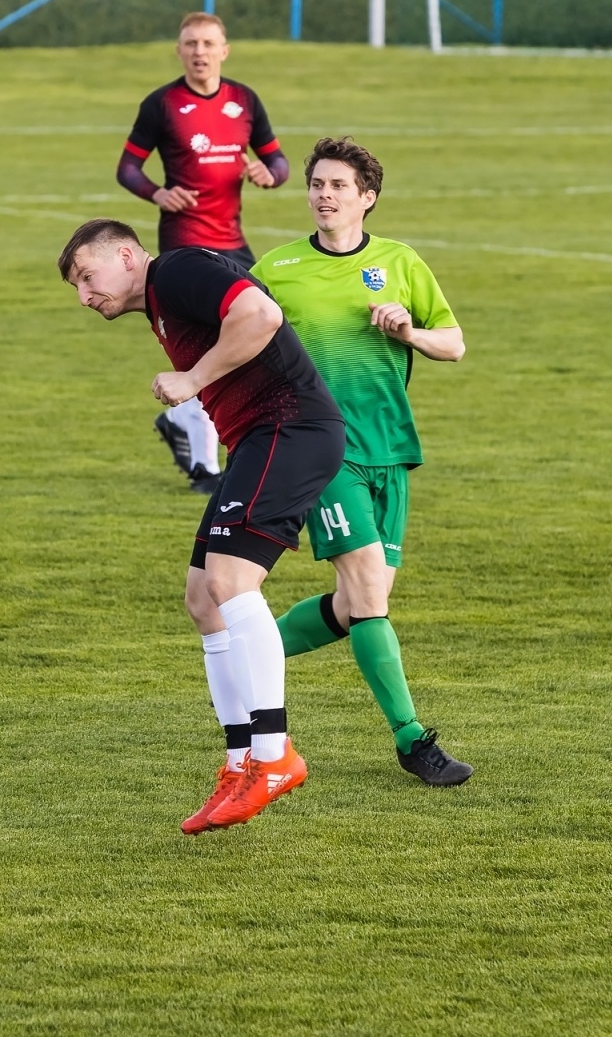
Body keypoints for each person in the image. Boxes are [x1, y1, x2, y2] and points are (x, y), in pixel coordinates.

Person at [59, 219, 344, 834]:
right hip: (260, 441)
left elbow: (261, 316)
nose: (85, 296)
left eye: (88, 276)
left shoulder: (179, 270)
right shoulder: (160, 300)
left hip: (289, 429)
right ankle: (240, 760)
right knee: (202, 598)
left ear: (129, 256)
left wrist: (192, 380)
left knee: (232, 583)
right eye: (77, 288)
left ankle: (274, 757)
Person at [251, 137, 474, 786]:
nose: (323, 194)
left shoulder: (401, 264)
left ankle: (244, 657)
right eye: (316, 183)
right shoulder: (279, 267)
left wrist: (409, 332)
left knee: (356, 605)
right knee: (370, 594)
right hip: (322, 450)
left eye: (337, 185)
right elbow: (242, 345)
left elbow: (452, 344)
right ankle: (412, 740)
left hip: (391, 448)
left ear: (367, 198)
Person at [118, 11, 293, 495]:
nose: (199, 51)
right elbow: (128, 168)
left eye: (208, 43)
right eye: (190, 43)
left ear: (224, 49)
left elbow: (277, 160)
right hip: (183, 243)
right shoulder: (162, 104)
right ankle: (204, 468)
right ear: (179, 50)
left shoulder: (244, 100)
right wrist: (157, 193)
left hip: (233, 242)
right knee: (203, 348)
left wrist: (269, 174)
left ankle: (184, 427)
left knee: (257, 330)